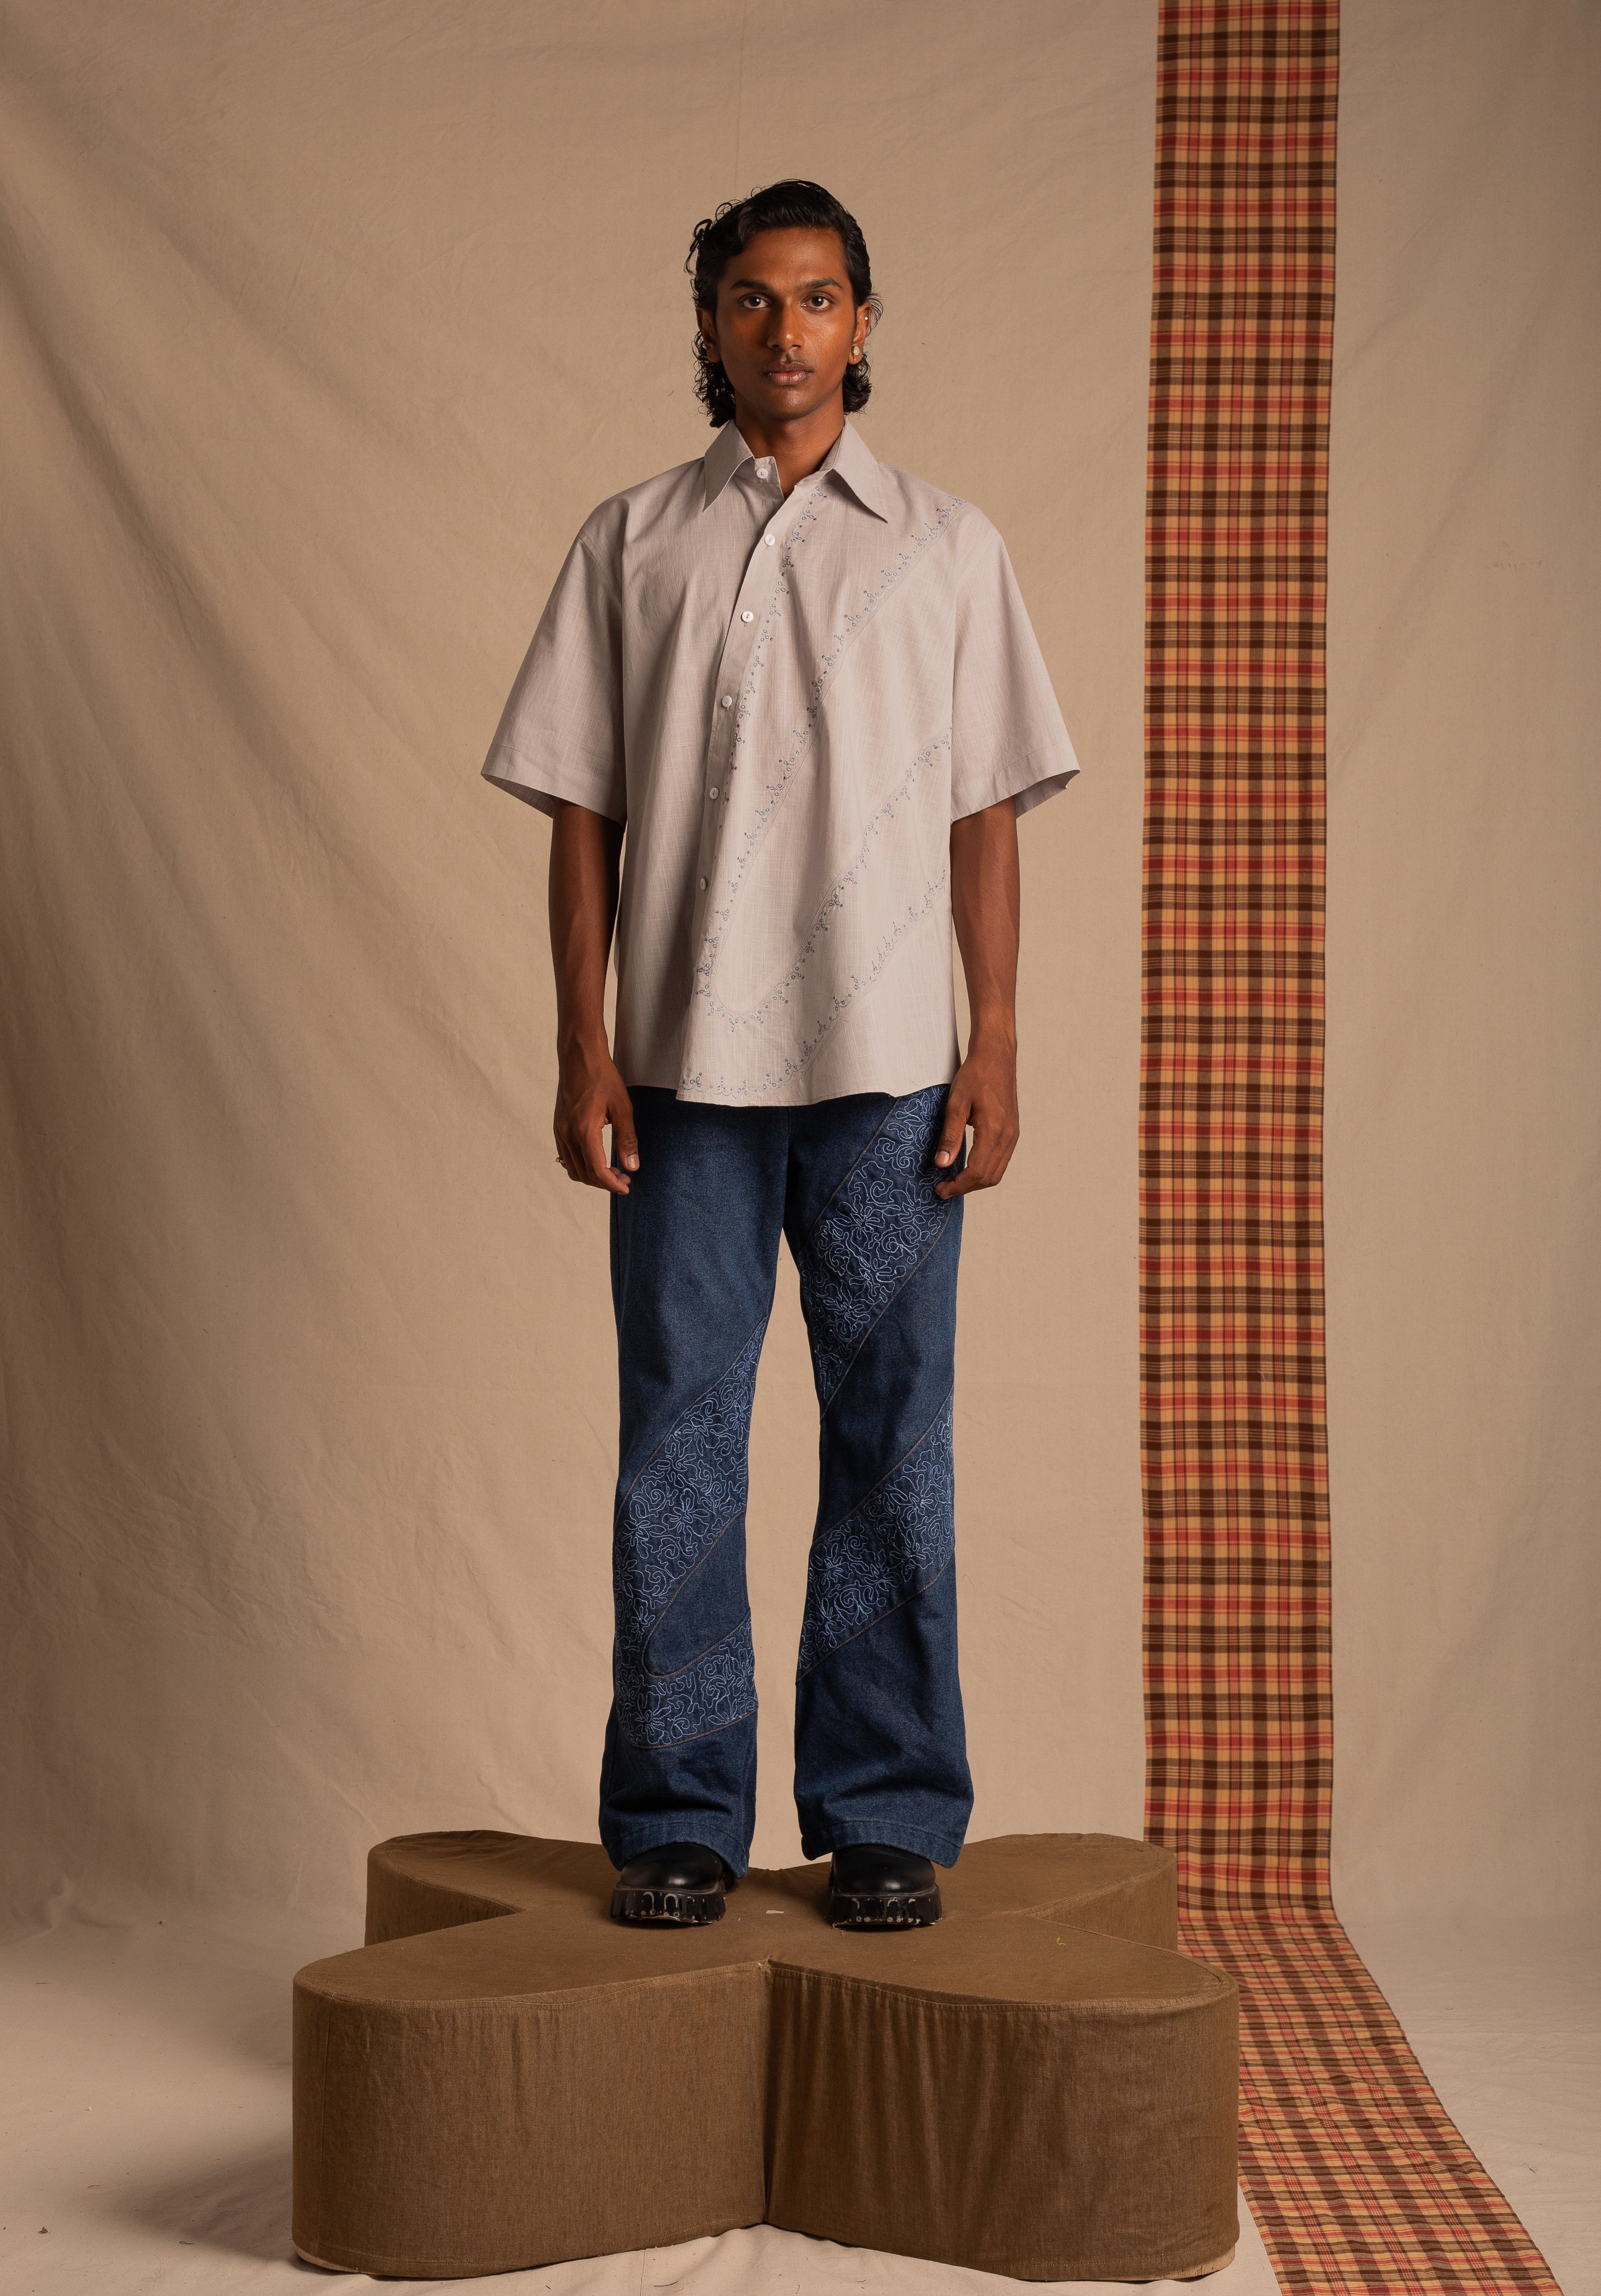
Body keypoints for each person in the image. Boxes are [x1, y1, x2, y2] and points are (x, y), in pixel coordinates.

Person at [481, 179, 1079, 1930]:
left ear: (864, 325)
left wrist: (1000, 1044)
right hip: (678, 1078)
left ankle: (887, 1807)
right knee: (679, 1436)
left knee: (892, 1434)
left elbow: (987, 814)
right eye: (751, 300)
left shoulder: (948, 548)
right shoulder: (632, 541)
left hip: (893, 1071)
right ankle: (676, 1811)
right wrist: (583, 1046)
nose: (785, 331)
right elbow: (579, 812)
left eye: (818, 299)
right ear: (709, 326)